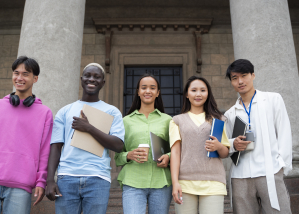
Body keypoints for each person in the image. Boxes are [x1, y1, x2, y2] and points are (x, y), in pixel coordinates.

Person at [46, 63, 125, 214]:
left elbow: (118, 145)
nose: (92, 79)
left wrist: (89, 128)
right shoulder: (65, 111)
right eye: (88, 75)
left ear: (103, 82)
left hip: (98, 178)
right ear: (81, 79)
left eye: (97, 77)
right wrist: (50, 180)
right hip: (67, 177)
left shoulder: (112, 111)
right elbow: (55, 147)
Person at [0, 56, 53, 214]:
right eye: (16, 73)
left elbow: (45, 151)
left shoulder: (44, 113)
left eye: (25, 74)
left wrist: (41, 181)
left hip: (21, 184)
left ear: (35, 78)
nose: (19, 78)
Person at [224, 59, 292, 213]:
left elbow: (284, 132)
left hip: (270, 171)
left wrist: (281, 165)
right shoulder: (230, 113)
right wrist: (233, 143)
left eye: (244, 75)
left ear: (253, 75)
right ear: (231, 82)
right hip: (240, 176)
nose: (240, 81)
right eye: (235, 78)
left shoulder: (273, 100)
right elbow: (225, 144)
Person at [170, 76, 230, 214]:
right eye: (194, 90)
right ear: (187, 94)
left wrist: (218, 146)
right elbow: (175, 153)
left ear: (208, 93)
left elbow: (225, 152)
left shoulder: (219, 119)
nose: (198, 94)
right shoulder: (177, 121)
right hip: (184, 183)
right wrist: (175, 183)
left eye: (203, 90)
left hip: (214, 182)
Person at [114, 73, 172, 214]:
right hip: (133, 181)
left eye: (152, 88)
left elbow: (176, 149)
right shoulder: (125, 121)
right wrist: (129, 155)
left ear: (157, 93)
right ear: (138, 92)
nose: (148, 91)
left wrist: (168, 157)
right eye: (144, 87)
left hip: (161, 182)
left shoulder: (168, 120)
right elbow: (117, 157)